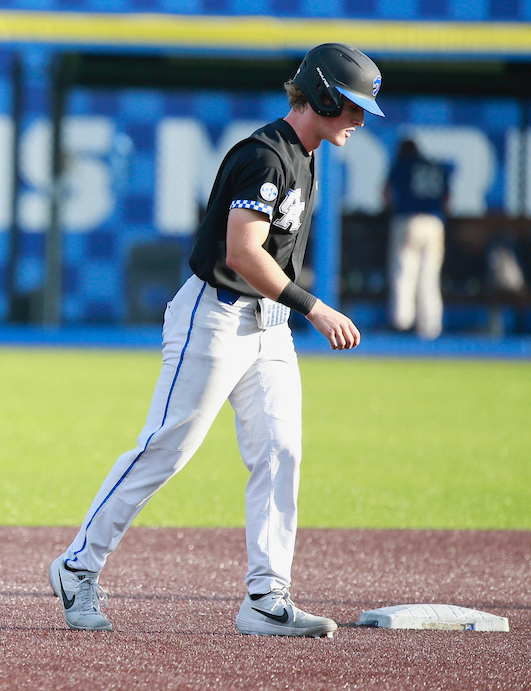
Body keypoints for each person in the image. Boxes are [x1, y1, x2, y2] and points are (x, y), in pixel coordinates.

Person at [49, 43, 382, 638]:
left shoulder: (307, 154)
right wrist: (314, 307)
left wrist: (291, 311)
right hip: (216, 316)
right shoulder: (264, 156)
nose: (359, 121)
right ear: (325, 95)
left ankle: (265, 596)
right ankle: (78, 566)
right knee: (166, 449)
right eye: (352, 107)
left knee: (281, 450)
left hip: (268, 325)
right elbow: (241, 252)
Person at [385, 138, 450, 339]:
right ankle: (430, 327)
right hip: (434, 222)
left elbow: (386, 193)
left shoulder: (403, 164)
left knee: (404, 272)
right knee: (429, 276)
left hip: (409, 219)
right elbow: (448, 200)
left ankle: (402, 323)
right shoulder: (434, 166)